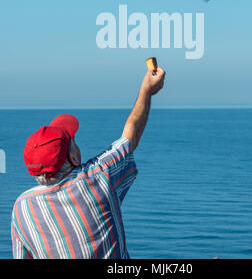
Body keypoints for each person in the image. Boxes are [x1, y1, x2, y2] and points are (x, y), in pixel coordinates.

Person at [11, 66, 166, 259]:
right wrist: (146, 90)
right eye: (74, 142)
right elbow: (131, 135)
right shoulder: (99, 177)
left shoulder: (21, 208)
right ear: (73, 157)